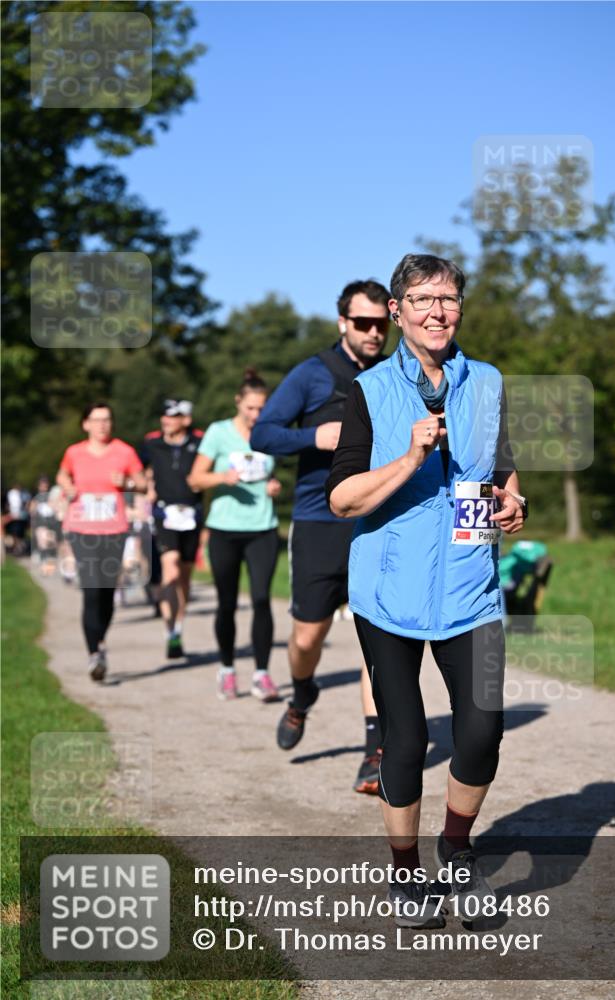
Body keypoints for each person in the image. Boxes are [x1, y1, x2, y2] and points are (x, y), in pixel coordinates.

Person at [327, 253, 527, 927]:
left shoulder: (489, 382)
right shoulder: (368, 391)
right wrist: (409, 457)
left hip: (470, 586)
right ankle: (406, 870)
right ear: (397, 311)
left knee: (481, 731)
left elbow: (500, 469)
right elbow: (343, 499)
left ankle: (456, 847)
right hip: (389, 592)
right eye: (421, 300)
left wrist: (511, 501)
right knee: (405, 739)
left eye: (448, 300)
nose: (437, 311)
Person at [250, 279, 390, 794]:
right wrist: (315, 436)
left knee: (379, 641)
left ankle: (375, 752)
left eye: (381, 323)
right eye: (363, 323)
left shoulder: (398, 373)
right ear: (342, 324)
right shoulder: (311, 374)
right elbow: (262, 434)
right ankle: (303, 693)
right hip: (316, 523)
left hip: (378, 522)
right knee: (308, 637)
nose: (374, 333)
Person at [188, 369, 282, 703]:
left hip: (263, 529)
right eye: (251, 409)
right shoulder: (218, 433)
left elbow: (272, 478)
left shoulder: (269, 434)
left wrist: (273, 487)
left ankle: (262, 674)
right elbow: (195, 479)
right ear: (238, 402)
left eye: (261, 409)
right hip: (225, 530)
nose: (257, 415)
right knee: (226, 603)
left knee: (260, 600)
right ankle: (227, 670)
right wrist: (221, 478)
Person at [57, 403, 146, 681]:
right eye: (97, 421)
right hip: (82, 528)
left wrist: (127, 483)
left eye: (107, 420)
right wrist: (66, 485)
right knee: (91, 588)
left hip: (114, 528)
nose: (103, 425)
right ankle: (94, 653)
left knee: (107, 592)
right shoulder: (75, 452)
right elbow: (62, 474)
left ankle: (100, 640)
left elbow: (142, 484)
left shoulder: (124, 451)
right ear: (86, 424)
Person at [142, 400, 203, 658]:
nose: (167, 420)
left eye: (174, 416)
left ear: (185, 420)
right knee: (171, 567)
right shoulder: (151, 444)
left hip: (192, 514)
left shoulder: (199, 442)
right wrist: (147, 485)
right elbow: (141, 471)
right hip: (164, 514)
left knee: (185, 578)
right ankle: (170, 632)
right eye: (164, 416)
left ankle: (179, 626)